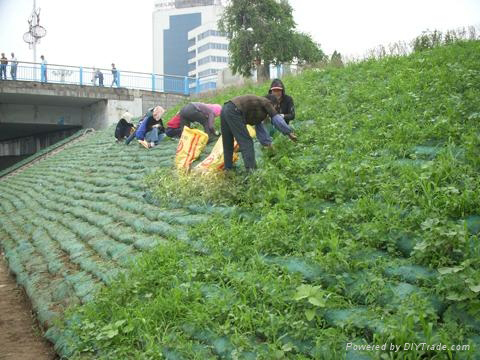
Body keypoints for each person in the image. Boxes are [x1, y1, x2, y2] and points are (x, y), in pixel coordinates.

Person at [221, 94, 297, 171]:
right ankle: (252, 172)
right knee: (246, 142)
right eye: (276, 107)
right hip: (234, 110)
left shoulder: (258, 108)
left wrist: (268, 144)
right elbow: (277, 119)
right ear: (274, 104)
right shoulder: (267, 103)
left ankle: (228, 169)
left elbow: (260, 129)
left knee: (228, 143)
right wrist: (289, 133)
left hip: (225, 109)